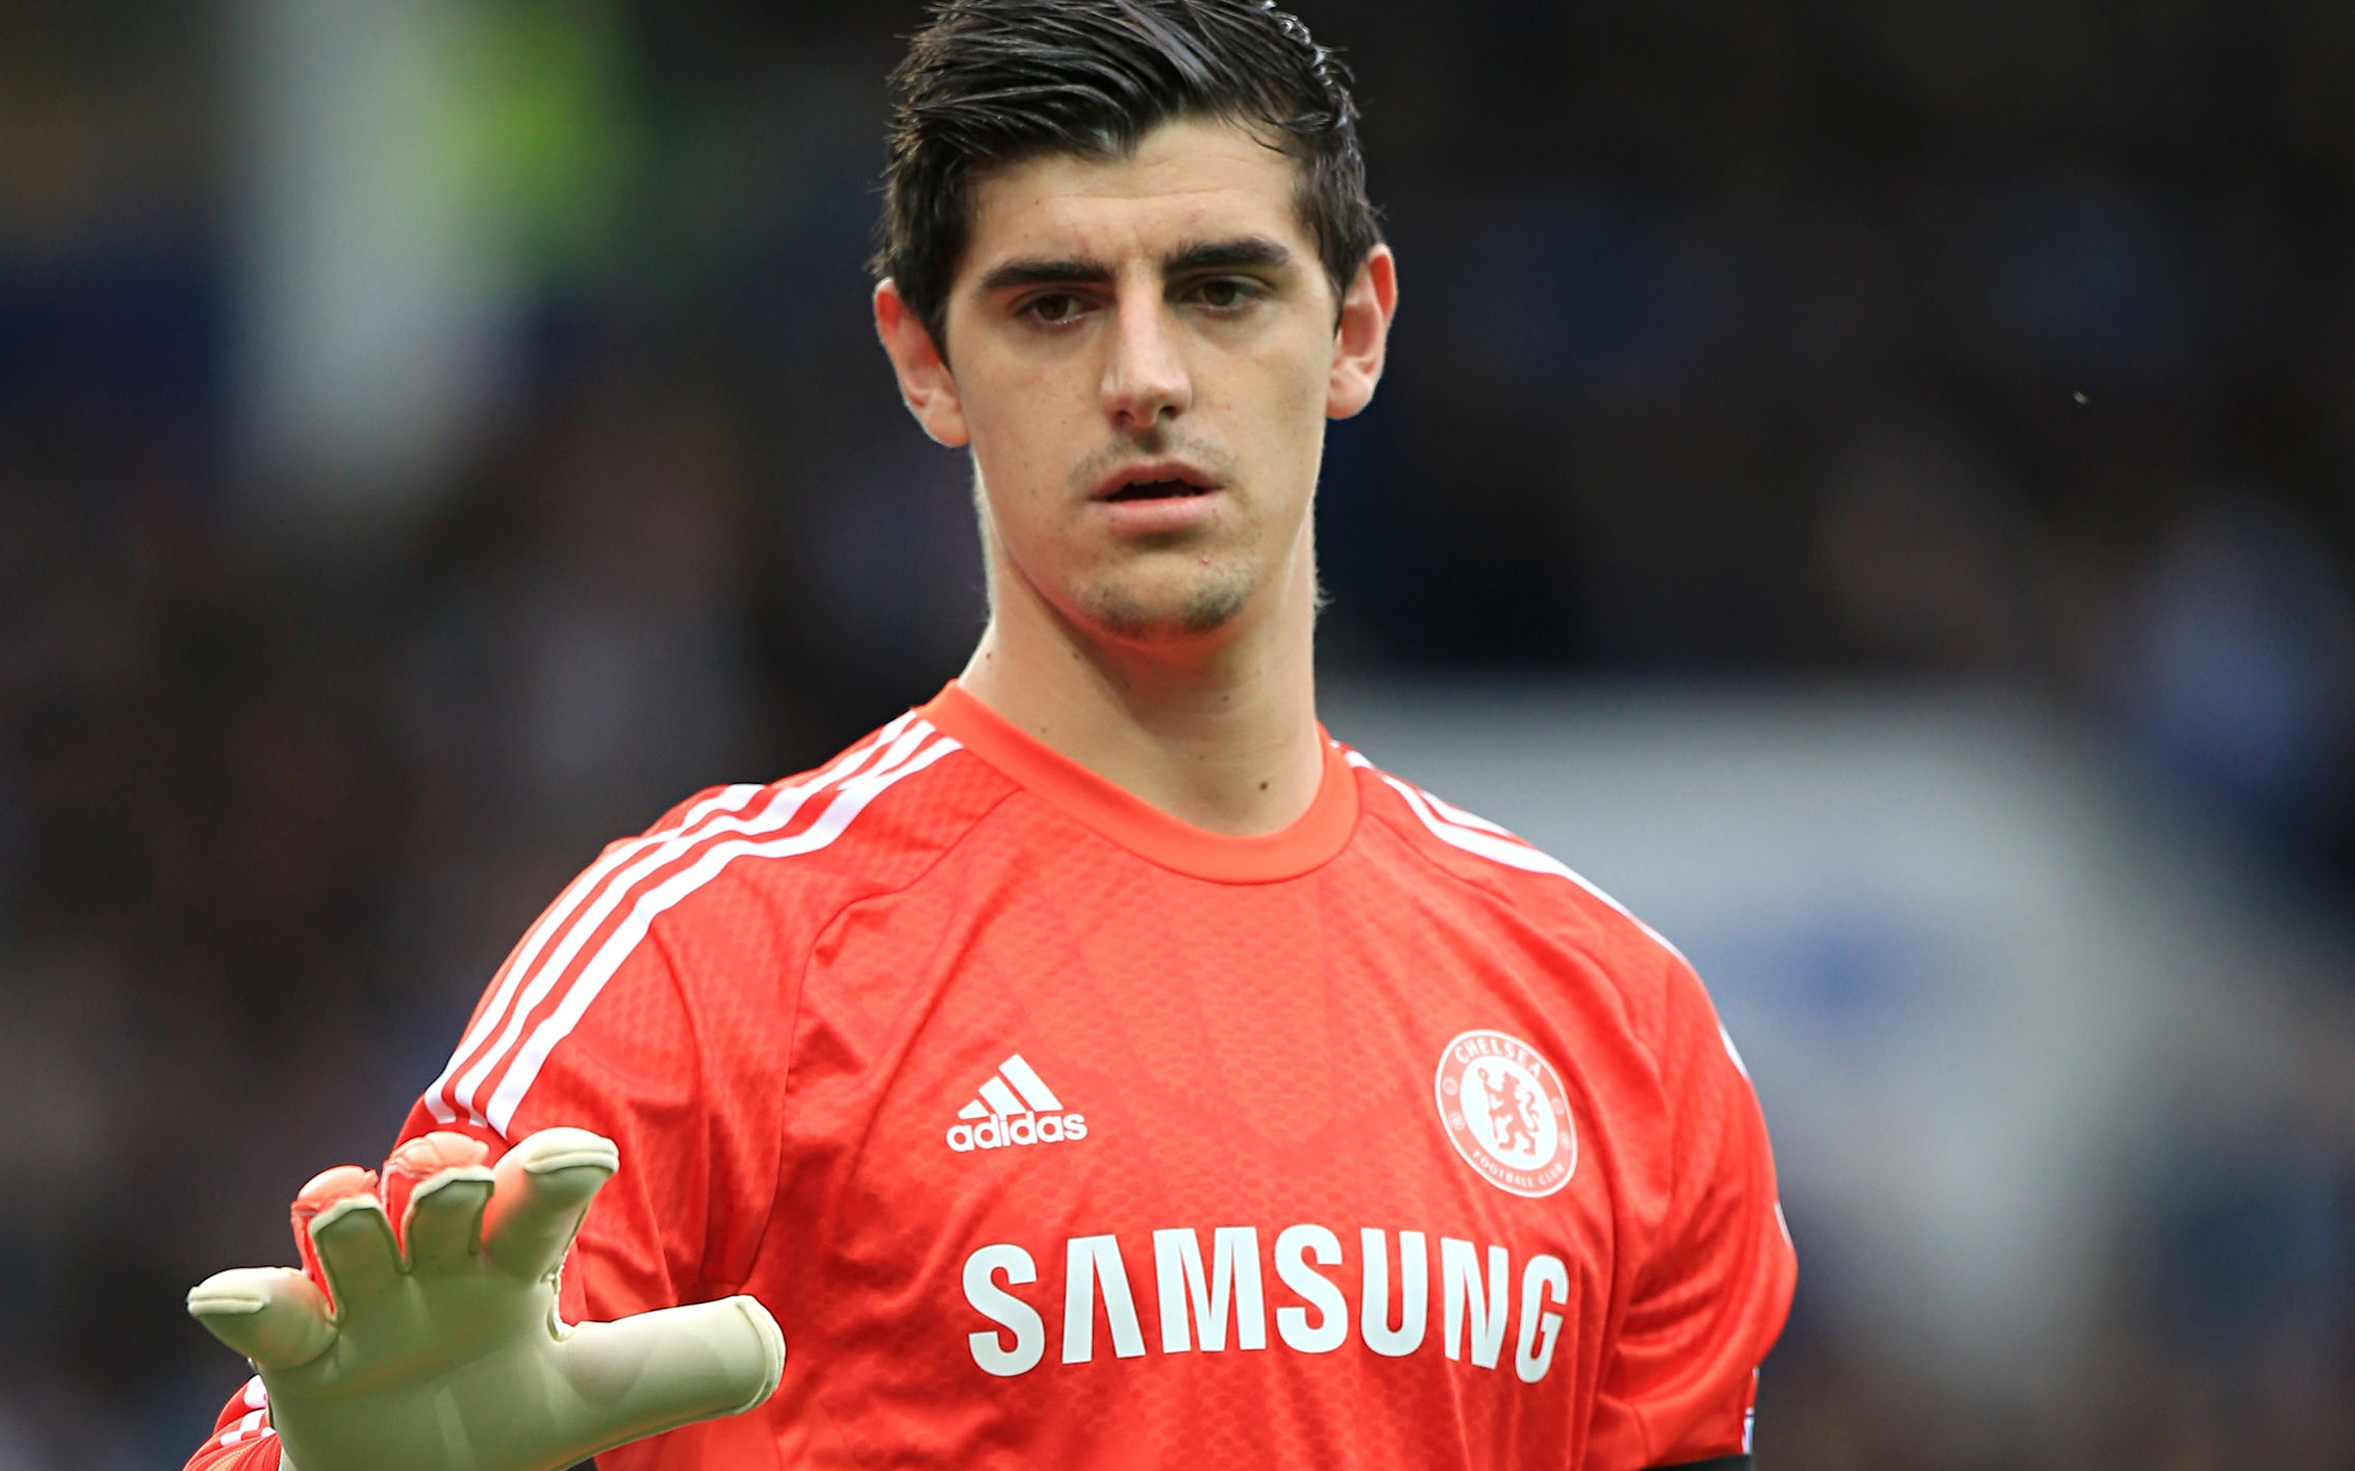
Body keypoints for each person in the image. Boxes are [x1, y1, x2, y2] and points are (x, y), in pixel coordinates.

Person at [181, 1, 1795, 1467]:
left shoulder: (1615, 1021)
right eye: (1054, 305)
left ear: (1357, 329)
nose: (1146, 377)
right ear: (926, 362)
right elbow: (367, 1403)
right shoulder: (713, 961)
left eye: (1223, 289)